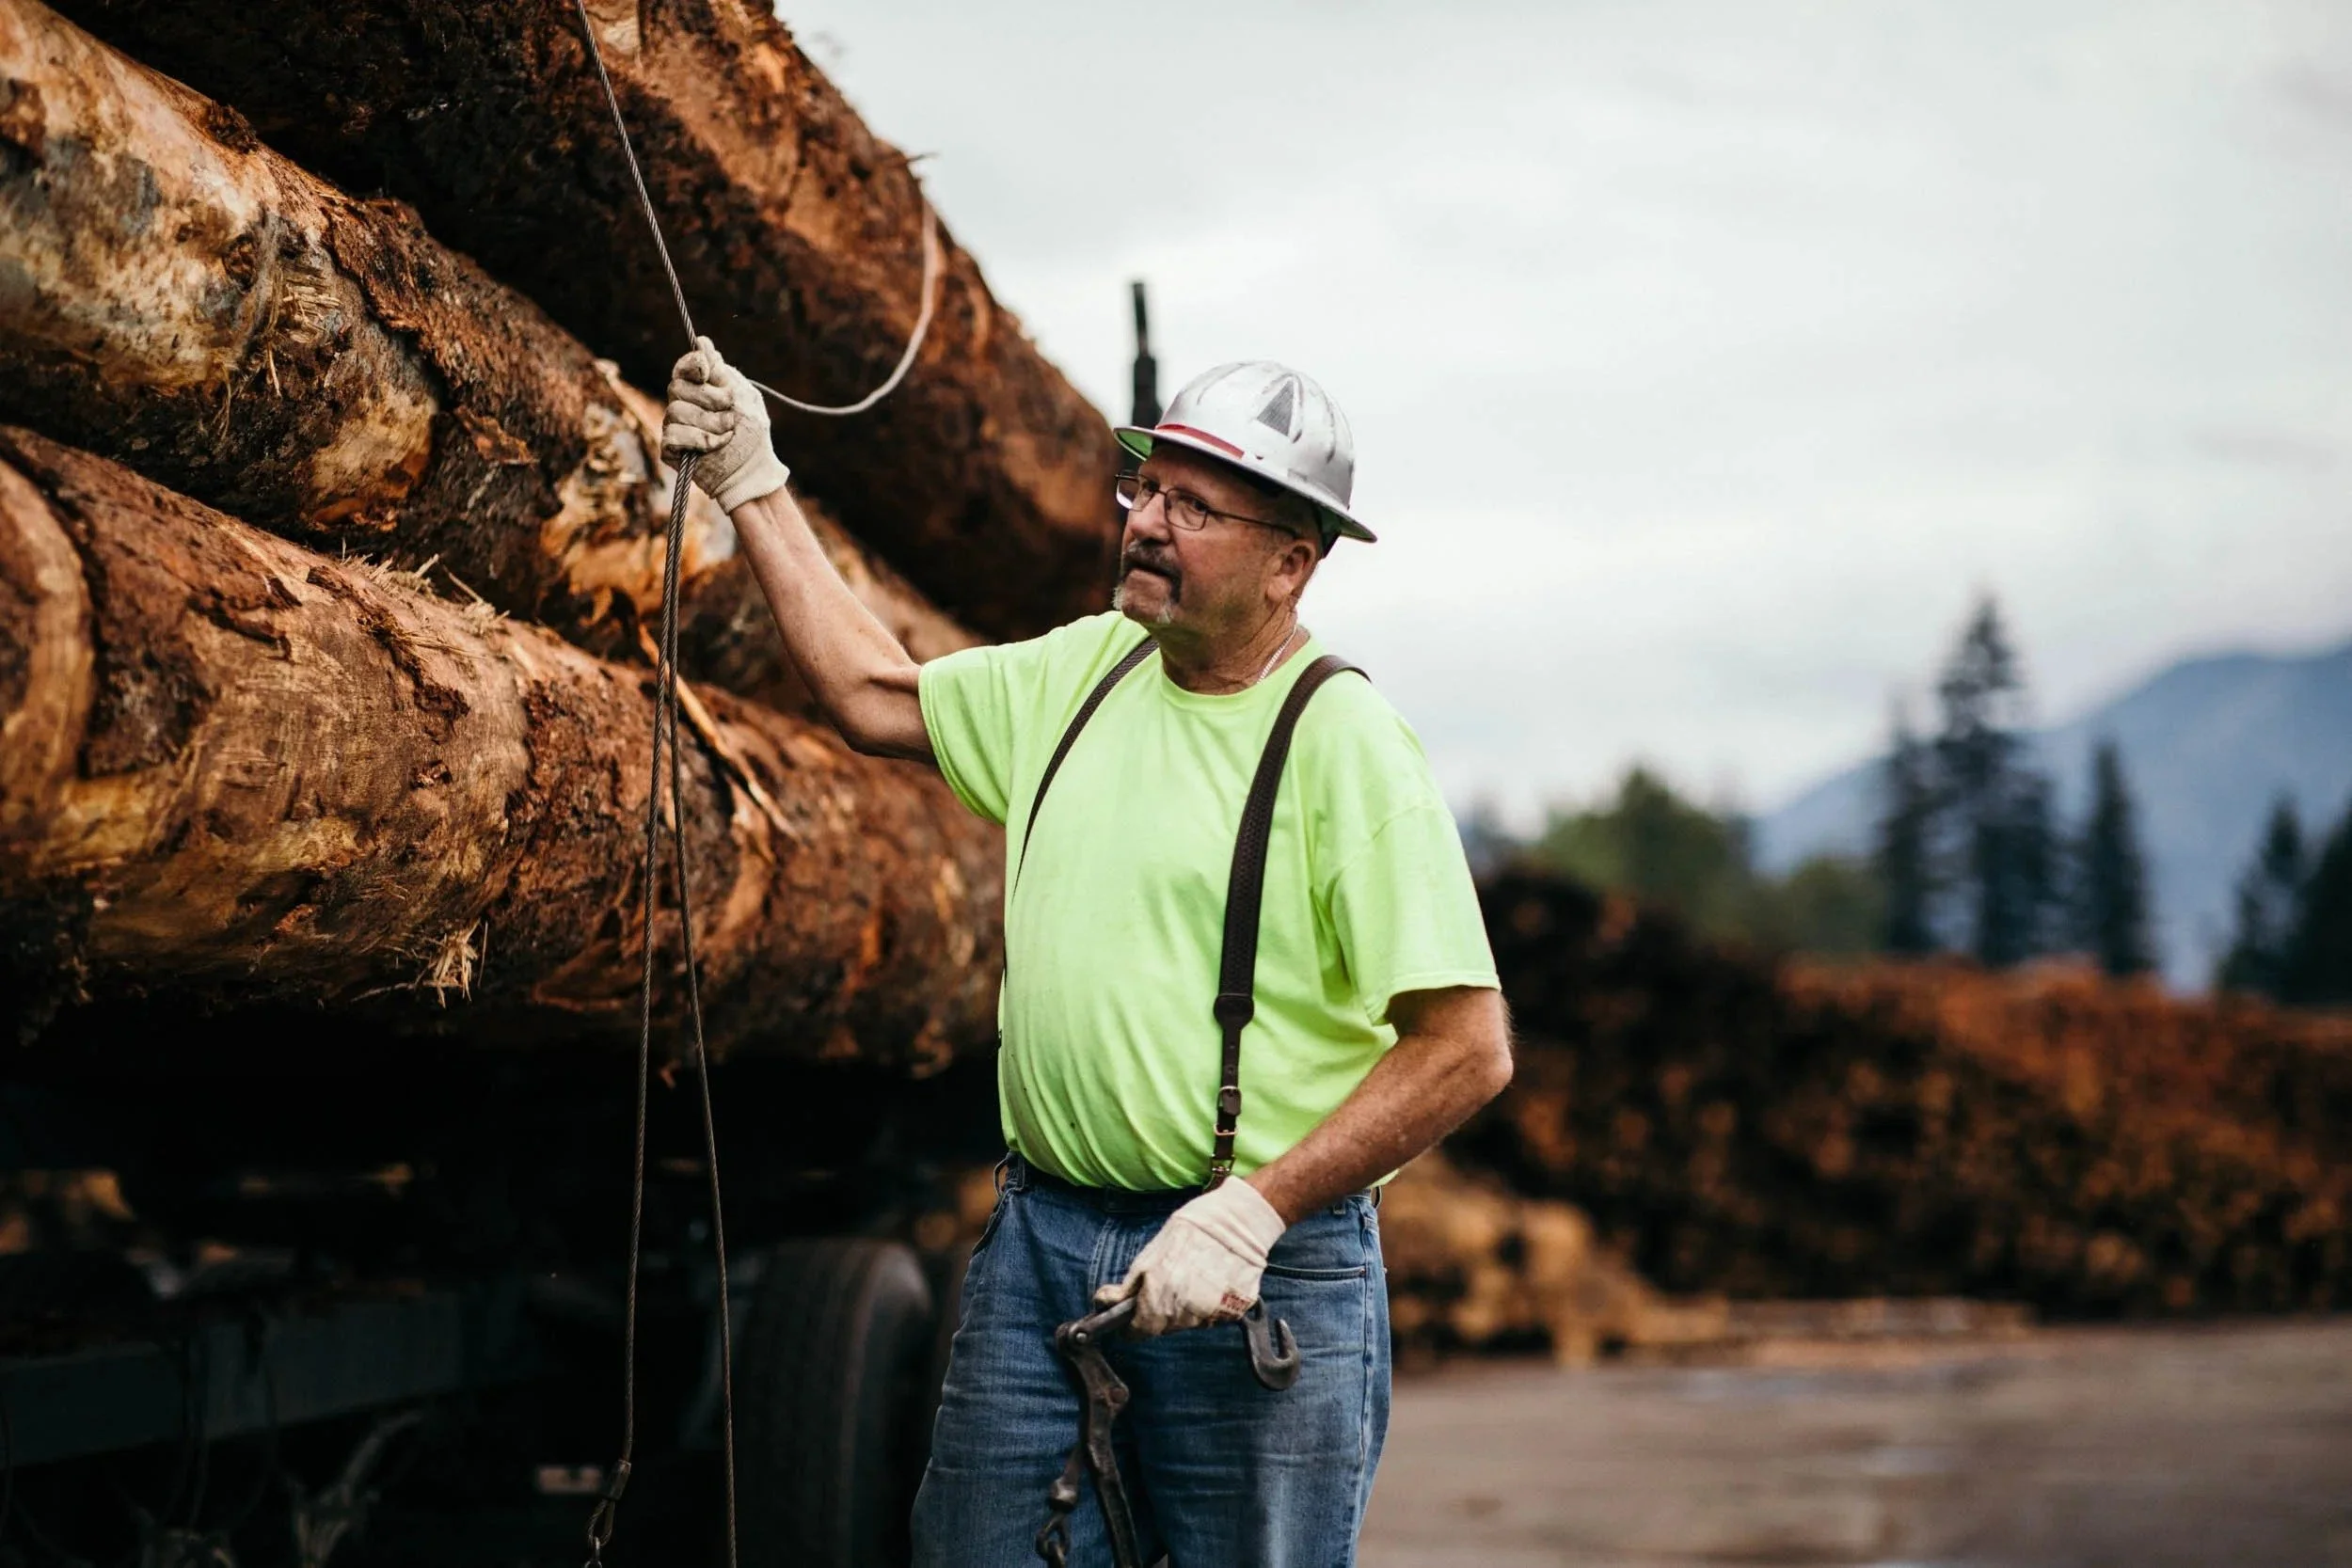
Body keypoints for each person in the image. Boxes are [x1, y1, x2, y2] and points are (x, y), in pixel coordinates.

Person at [663, 345, 1511, 1566]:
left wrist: (1253, 1210)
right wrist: (754, 477)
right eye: (1147, 491)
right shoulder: (1081, 672)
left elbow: (1465, 1047)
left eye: (1195, 507)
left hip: (1258, 1275)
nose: (1150, 524)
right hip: (1042, 1249)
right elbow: (868, 691)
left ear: (1291, 562)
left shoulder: (1343, 743)